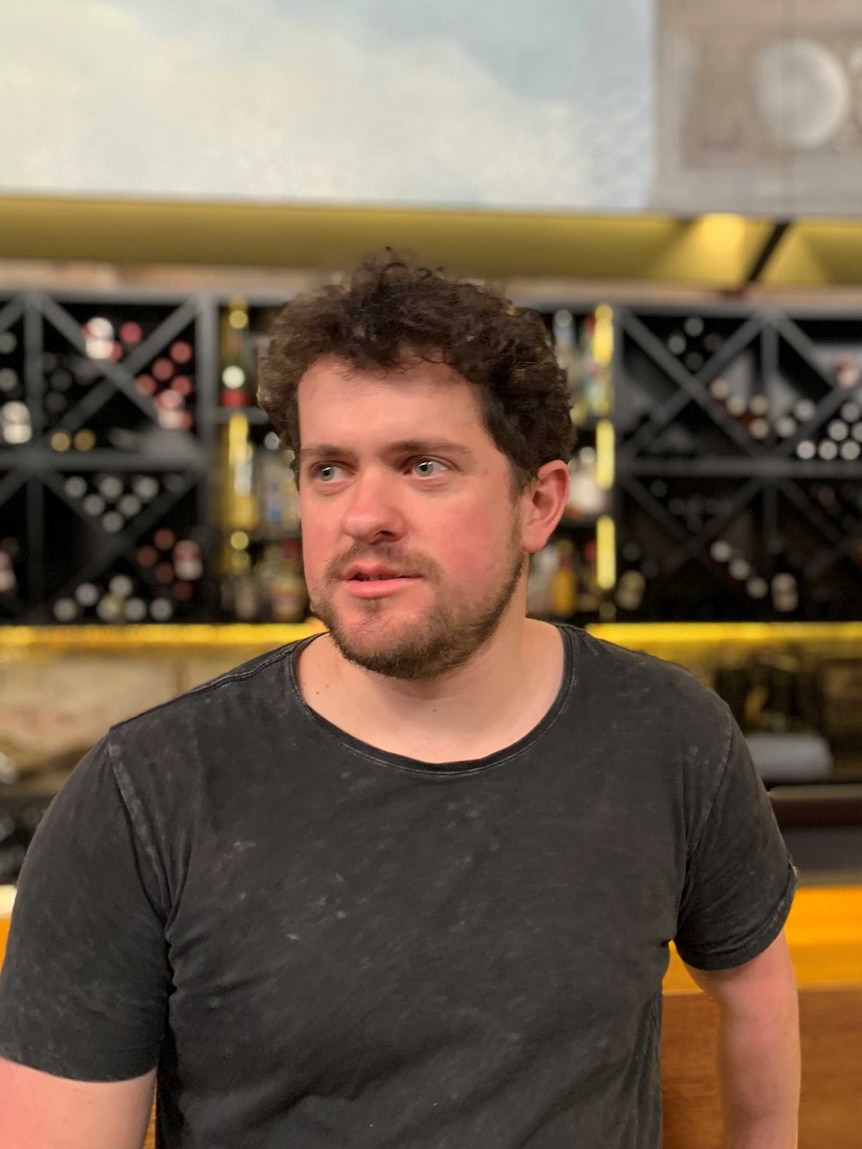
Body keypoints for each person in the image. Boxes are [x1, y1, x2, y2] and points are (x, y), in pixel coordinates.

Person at [0, 255, 799, 1148]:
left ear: (537, 503)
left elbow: (759, 992)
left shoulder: (672, 735)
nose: (362, 514)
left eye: (422, 465)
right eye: (329, 469)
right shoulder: (144, 791)